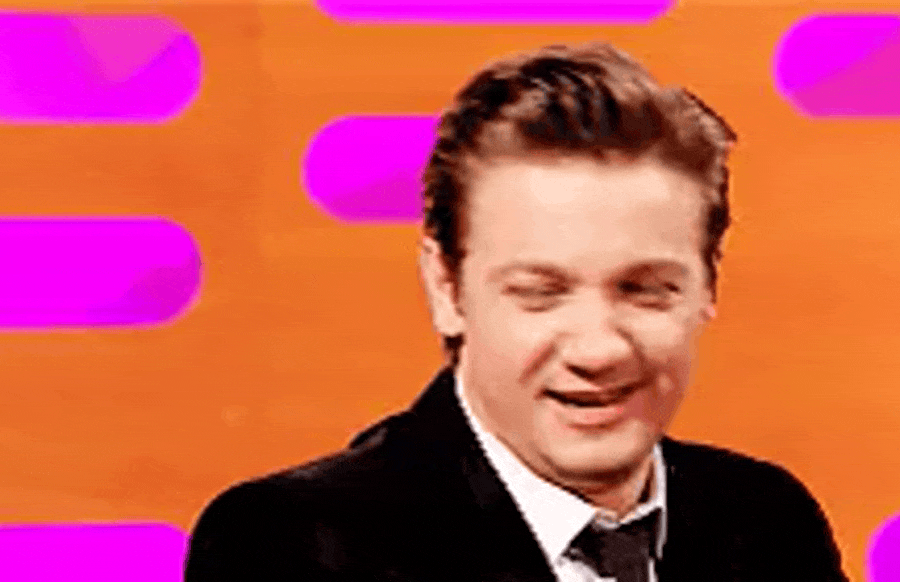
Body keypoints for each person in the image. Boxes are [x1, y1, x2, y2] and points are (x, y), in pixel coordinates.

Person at [185, 41, 849, 582]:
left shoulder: (767, 523)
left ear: (709, 286)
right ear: (446, 287)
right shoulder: (296, 546)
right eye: (540, 292)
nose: (599, 350)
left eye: (645, 289)